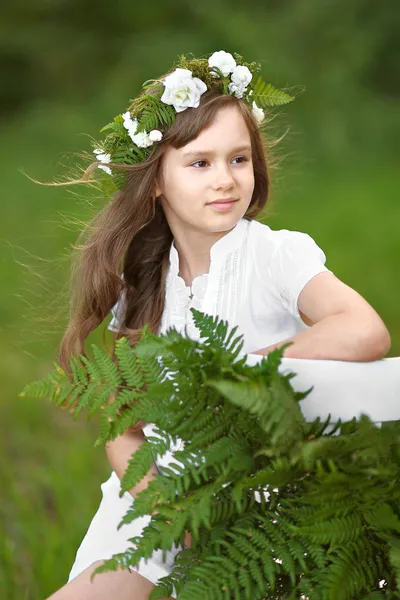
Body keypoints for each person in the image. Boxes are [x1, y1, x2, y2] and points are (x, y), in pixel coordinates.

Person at [47, 50, 391, 599]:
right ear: (156, 181)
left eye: (239, 159)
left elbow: (364, 330)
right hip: (164, 502)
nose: (225, 180)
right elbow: (123, 426)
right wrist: (165, 503)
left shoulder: (273, 254)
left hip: (262, 507)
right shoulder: (143, 285)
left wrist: (239, 375)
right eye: (200, 163)